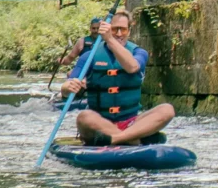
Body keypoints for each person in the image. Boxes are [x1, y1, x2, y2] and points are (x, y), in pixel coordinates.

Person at [58, 8, 174, 146]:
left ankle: (115, 139)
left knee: (167, 110)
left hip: (131, 123)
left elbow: (132, 67)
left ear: (129, 31)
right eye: (114, 29)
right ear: (106, 29)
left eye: (123, 30)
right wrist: (68, 88)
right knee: (84, 117)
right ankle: (134, 139)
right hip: (100, 123)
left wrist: (110, 39)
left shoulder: (139, 52)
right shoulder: (89, 56)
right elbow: (66, 88)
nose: (119, 34)